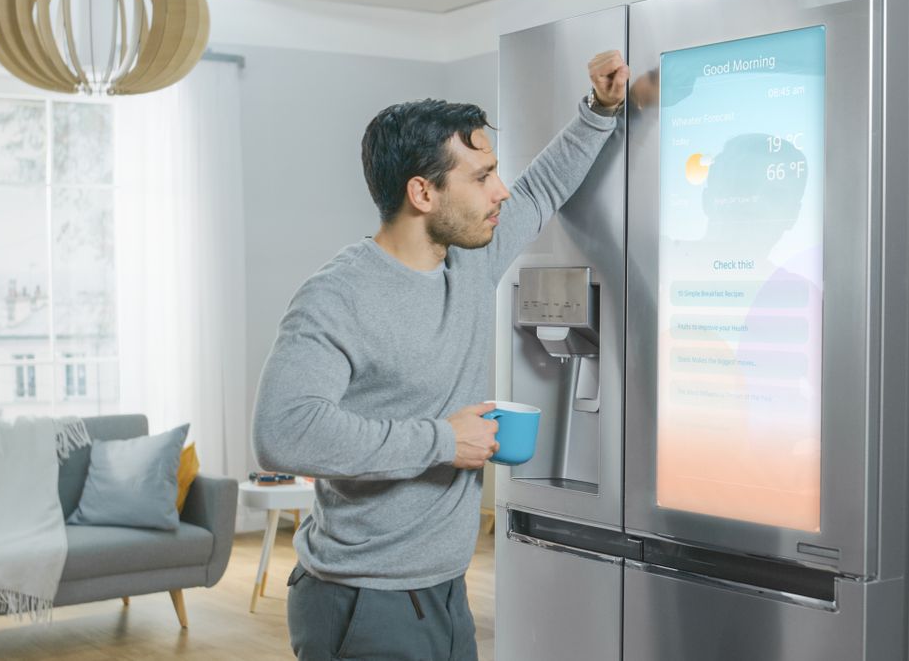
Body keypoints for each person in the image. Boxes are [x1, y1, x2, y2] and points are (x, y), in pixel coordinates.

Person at [252, 50, 630, 660]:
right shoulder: (336, 297)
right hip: (361, 602)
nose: (500, 189)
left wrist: (601, 109)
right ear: (423, 192)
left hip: (445, 593)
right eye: (480, 177)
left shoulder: (470, 261)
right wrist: (442, 441)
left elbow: (542, 188)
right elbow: (282, 434)